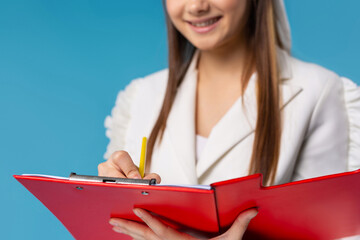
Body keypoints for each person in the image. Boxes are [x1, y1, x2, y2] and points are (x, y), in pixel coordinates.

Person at [98, 0, 360, 239]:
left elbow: (333, 233)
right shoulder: (139, 96)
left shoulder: (320, 91)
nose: (196, 6)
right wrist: (107, 195)